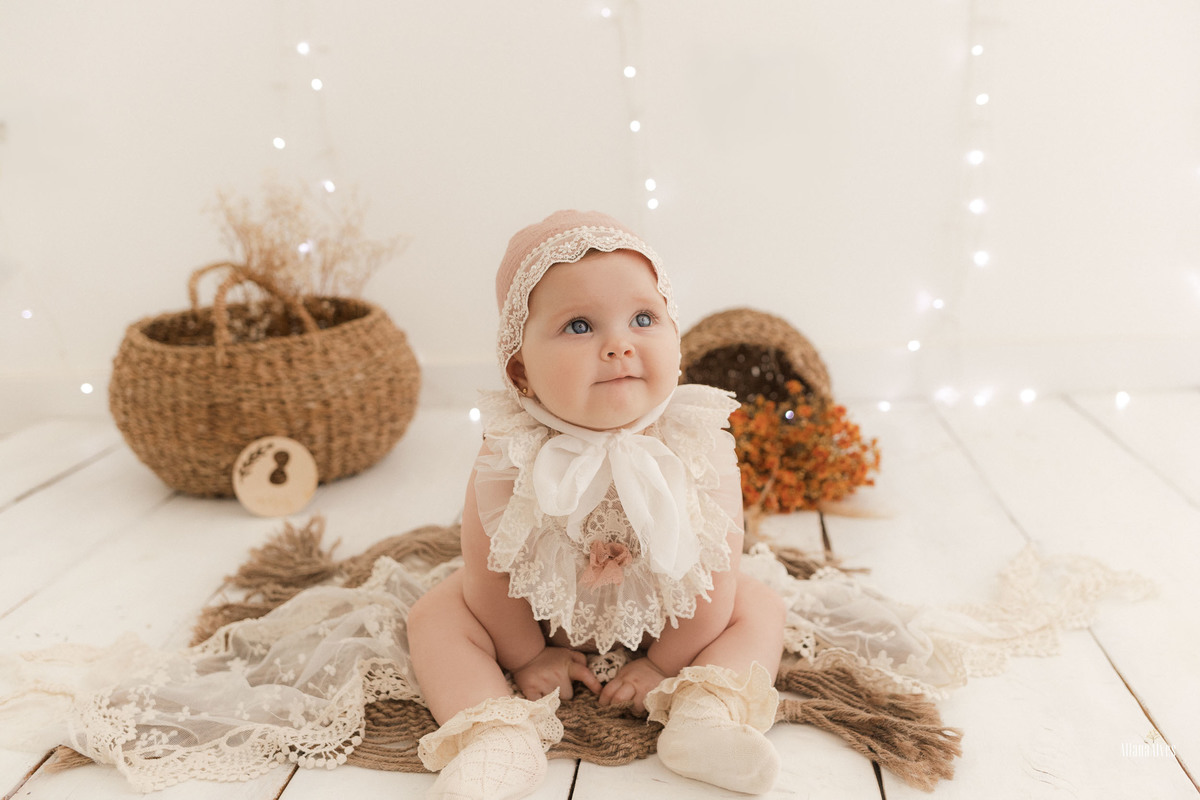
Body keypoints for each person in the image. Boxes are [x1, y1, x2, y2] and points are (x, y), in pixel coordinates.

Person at [407, 210, 787, 799]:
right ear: (521, 370)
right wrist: (527, 656)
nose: (619, 345)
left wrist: (663, 665)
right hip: (537, 619)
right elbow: (488, 571)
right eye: (580, 326)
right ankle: (496, 737)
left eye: (643, 318)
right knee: (435, 614)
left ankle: (704, 714)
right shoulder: (510, 446)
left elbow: (714, 573)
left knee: (758, 605)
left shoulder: (697, 439)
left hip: (673, 623)